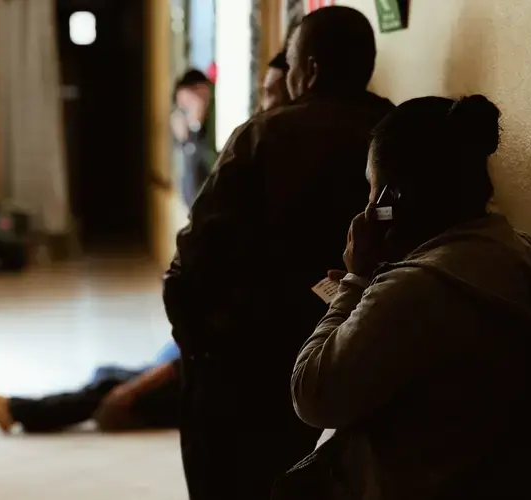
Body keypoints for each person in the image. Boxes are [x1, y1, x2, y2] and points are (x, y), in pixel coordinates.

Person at [162, 6, 395, 499]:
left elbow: (196, 251)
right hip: (359, 344)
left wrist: (195, 341)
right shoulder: (395, 134)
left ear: (306, 69)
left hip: (248, 352)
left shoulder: (263, 135)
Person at [284, 95, 531, 500]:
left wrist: (356, 280)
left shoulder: (415, 288)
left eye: (371, 191)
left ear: (392, 201)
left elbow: (311, 394)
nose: (367, 207)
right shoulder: (521, 251)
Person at [0, 341, 181, 433]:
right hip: (183, 383)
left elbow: (180, 366)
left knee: (106, 389)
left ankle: (14, 410)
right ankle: (19, 411)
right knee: (106, 374)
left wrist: (132, 390)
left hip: (189, 396)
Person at [169, 69, 216, 208]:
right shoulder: (191, 135)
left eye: (187, 106)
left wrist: (190, 142)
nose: (185, 114)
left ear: (203, 92)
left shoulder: (218, 121)